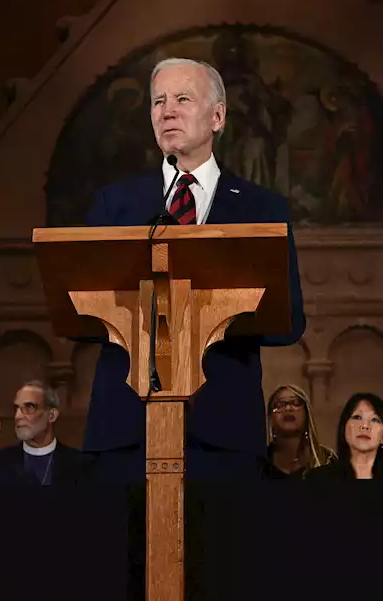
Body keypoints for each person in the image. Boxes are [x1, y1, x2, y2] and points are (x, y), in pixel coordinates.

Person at [83, 57, 306, 482]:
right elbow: (81, 310)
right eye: (158, 101)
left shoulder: (260, 208)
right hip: (127, 430)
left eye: (183, 98)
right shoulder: (116, 204)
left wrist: (207, 308)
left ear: (217, 116)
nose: (167, 111)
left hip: (222, 432)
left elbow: (289, 319)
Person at [0, 381, 93, 485]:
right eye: (16, 408)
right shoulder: (0, 462)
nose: (18, 416)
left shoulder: (79, 464)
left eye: (29, 407)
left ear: (52, 415)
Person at [309, 393, 383, 480]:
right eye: (357, 417)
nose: (364, 426)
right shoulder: (319, 479)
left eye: (375, 420)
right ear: (344, 428)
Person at [264, 384, 335, 479]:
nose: (288, 408)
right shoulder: (261, 462)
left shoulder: (326, 458)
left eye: (296, 403)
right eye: (280, 405)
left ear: (307, 414)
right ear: (270, 418)